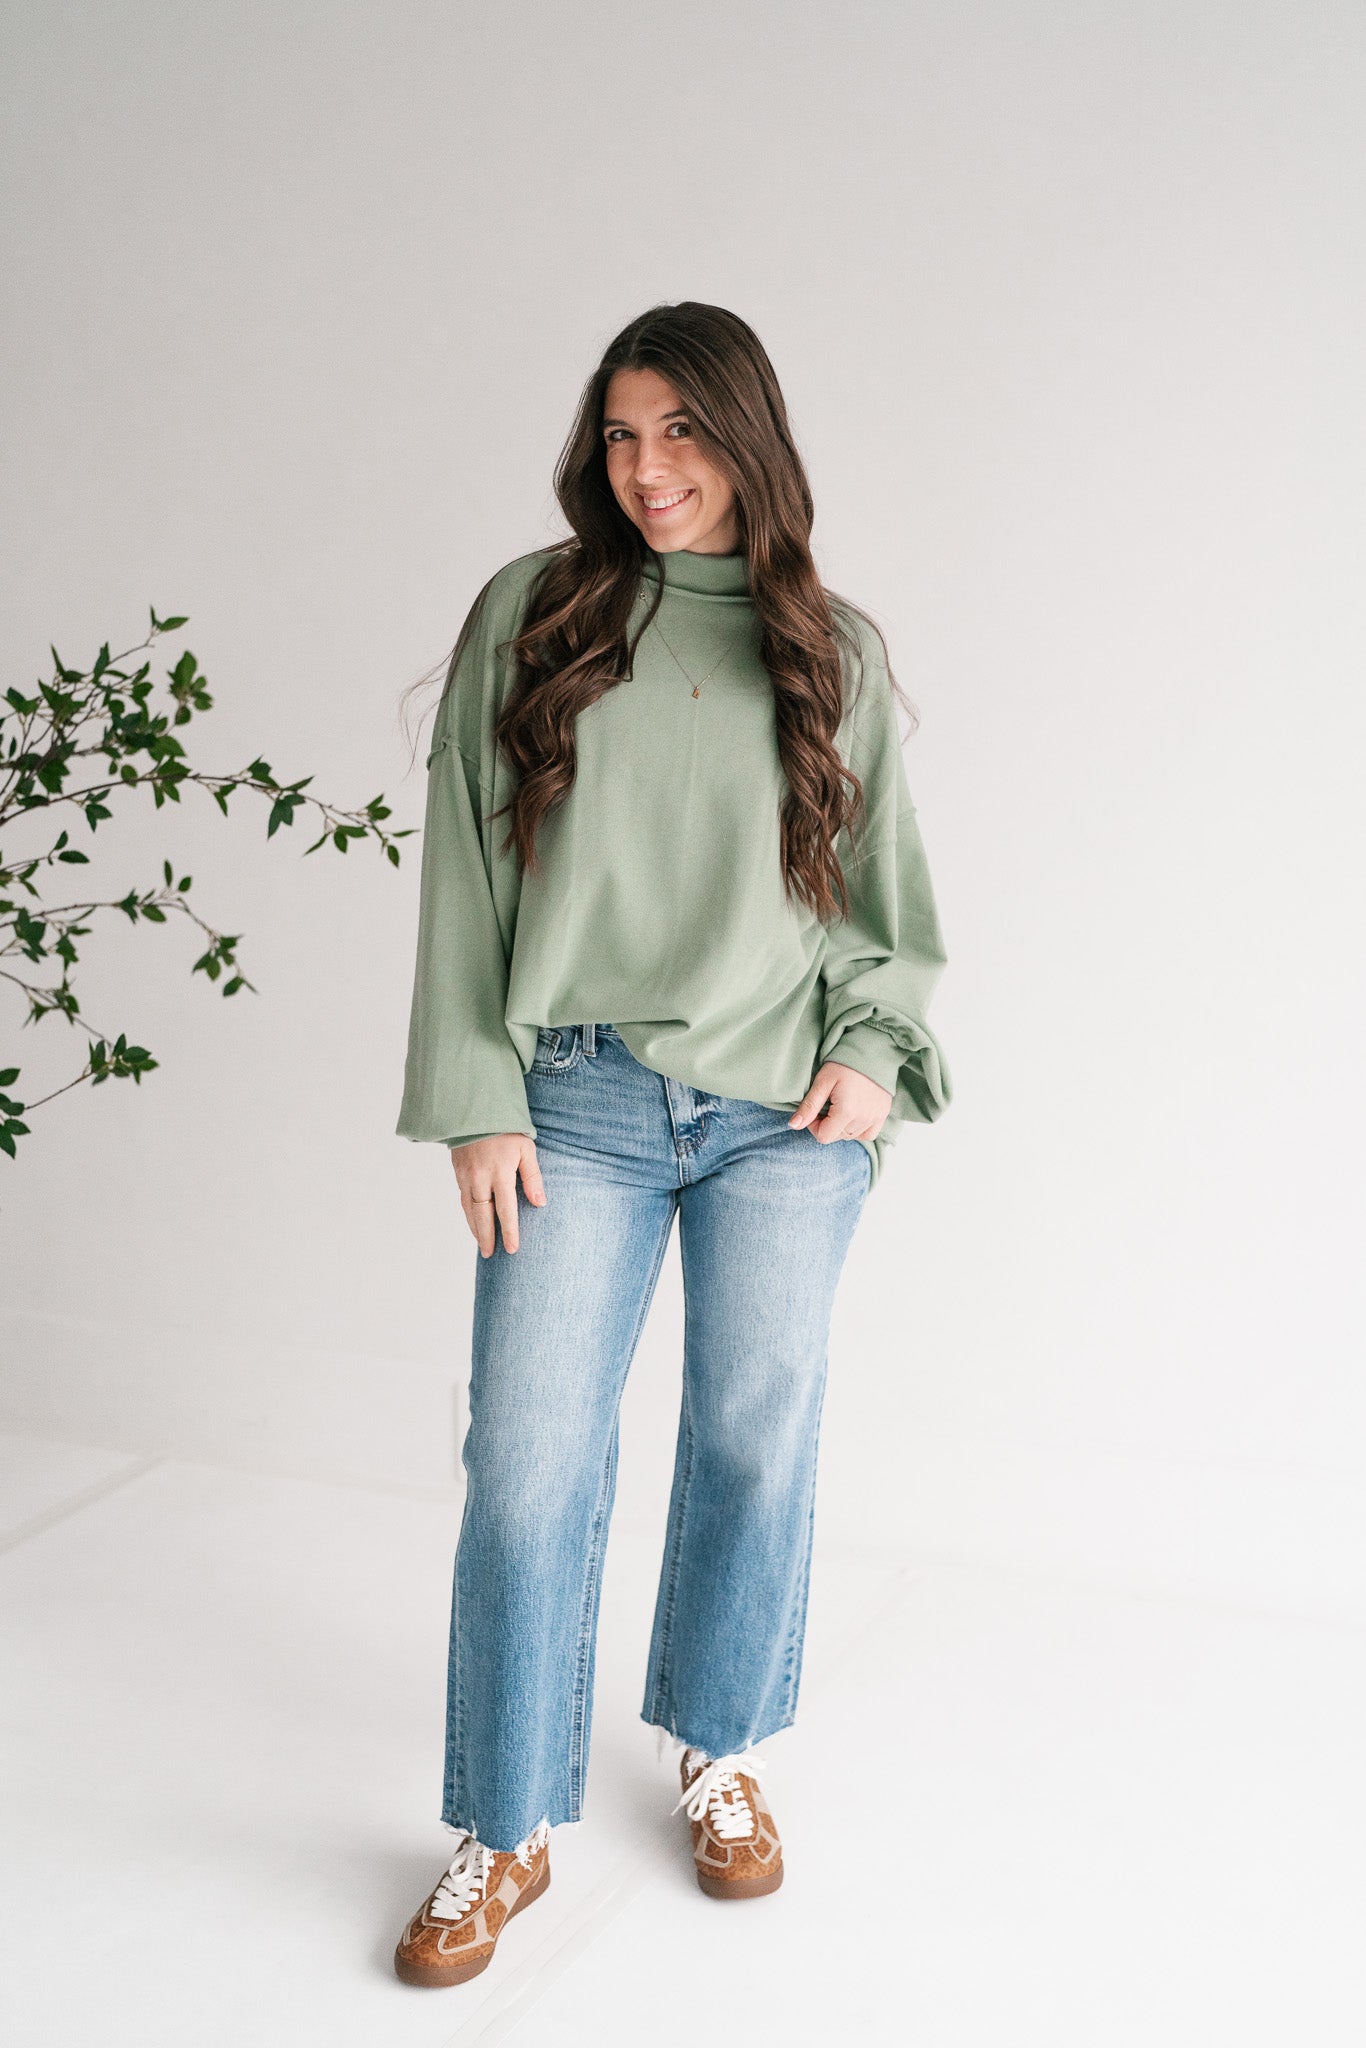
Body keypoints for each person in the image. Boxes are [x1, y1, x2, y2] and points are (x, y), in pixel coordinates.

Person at [390, 300, 952, 1987]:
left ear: (746, 437)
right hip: (576, 1097)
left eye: (683, 432)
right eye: (623, 435)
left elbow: (883, 899)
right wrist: (476, 1091)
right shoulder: (536, 611)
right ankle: (504, 1828)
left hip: (783, 1114)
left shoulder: (829, 649)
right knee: (527, 1459)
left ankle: (719, 1747)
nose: (648, 469)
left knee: (754, 1441)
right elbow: (463, 861)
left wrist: (870, 1054)